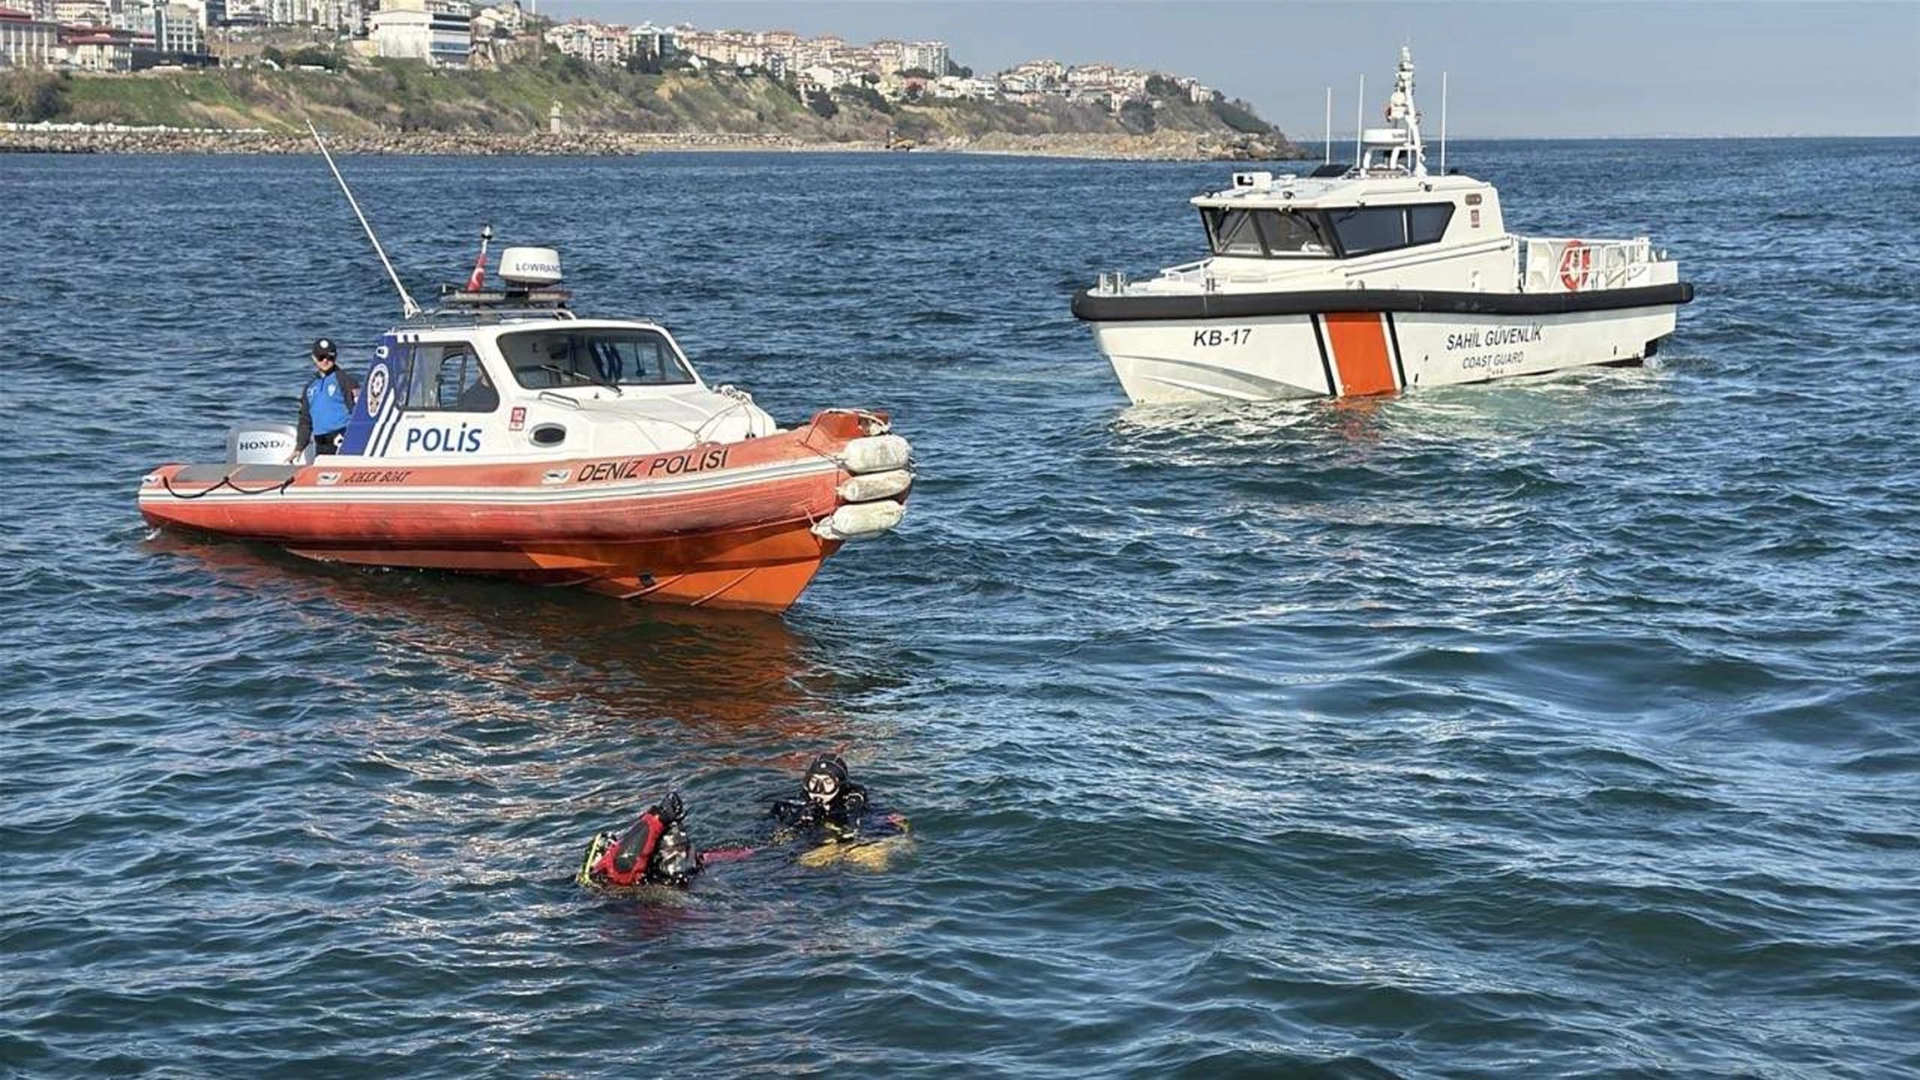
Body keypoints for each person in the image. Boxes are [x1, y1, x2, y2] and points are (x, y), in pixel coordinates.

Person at [577, 791, 703, 890]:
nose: (681, 854)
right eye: (675, 849)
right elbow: (624, 862)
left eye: (683, 847)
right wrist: (660, 816)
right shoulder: (616, 878)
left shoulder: (694, 864)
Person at [290, 338, 359, 462]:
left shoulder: (345, 380)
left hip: (342, 439)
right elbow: (305, 420)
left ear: (335, 357)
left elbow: (357, 412)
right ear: (314, 358)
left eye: (330, 357)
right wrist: (299, 448)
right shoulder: (310, 387)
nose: (325, 360)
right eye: (321, 357)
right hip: (320, 444)